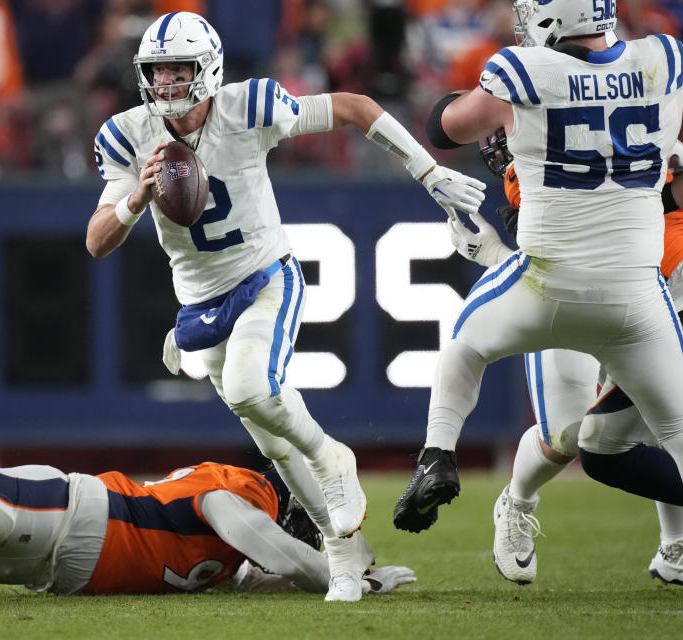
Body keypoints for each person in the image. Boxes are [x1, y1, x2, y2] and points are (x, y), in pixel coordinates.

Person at [85, 10, 485, 601]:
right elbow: (96, 240)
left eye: (179, 71)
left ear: (209, 71)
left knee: (253, 388)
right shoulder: (127, 134)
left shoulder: (248, 108)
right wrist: (136, 198)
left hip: (265, 277)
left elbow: (353, 105)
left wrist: (427, 172)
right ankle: (344, 559)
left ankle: (334, 458)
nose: (167, 84)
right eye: (158, 72)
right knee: (272, 439)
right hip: (199, 305)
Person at [0, 300, 417, 597]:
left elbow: (264, 572)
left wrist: (355, 565)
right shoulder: (241, 495)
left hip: (41, 566)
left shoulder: (236, 557)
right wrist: (346, 573)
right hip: (64, 515)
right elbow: (275, 551)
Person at [393, 0, 683, 535]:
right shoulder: (663, 58)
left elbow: (443, 127)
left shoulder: (523, 70)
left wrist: (484, 106)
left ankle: (438, 455)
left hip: (547, 282)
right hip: (639, 296)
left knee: (465, 342)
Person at [448, 132, 683, 586]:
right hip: (572, 301)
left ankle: (675, 545)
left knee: (661, 421)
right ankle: (517, 502)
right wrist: (499, 256)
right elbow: (553, 256)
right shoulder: (540, 164)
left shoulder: (638, 124)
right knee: (568, 434)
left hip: (648, 301)